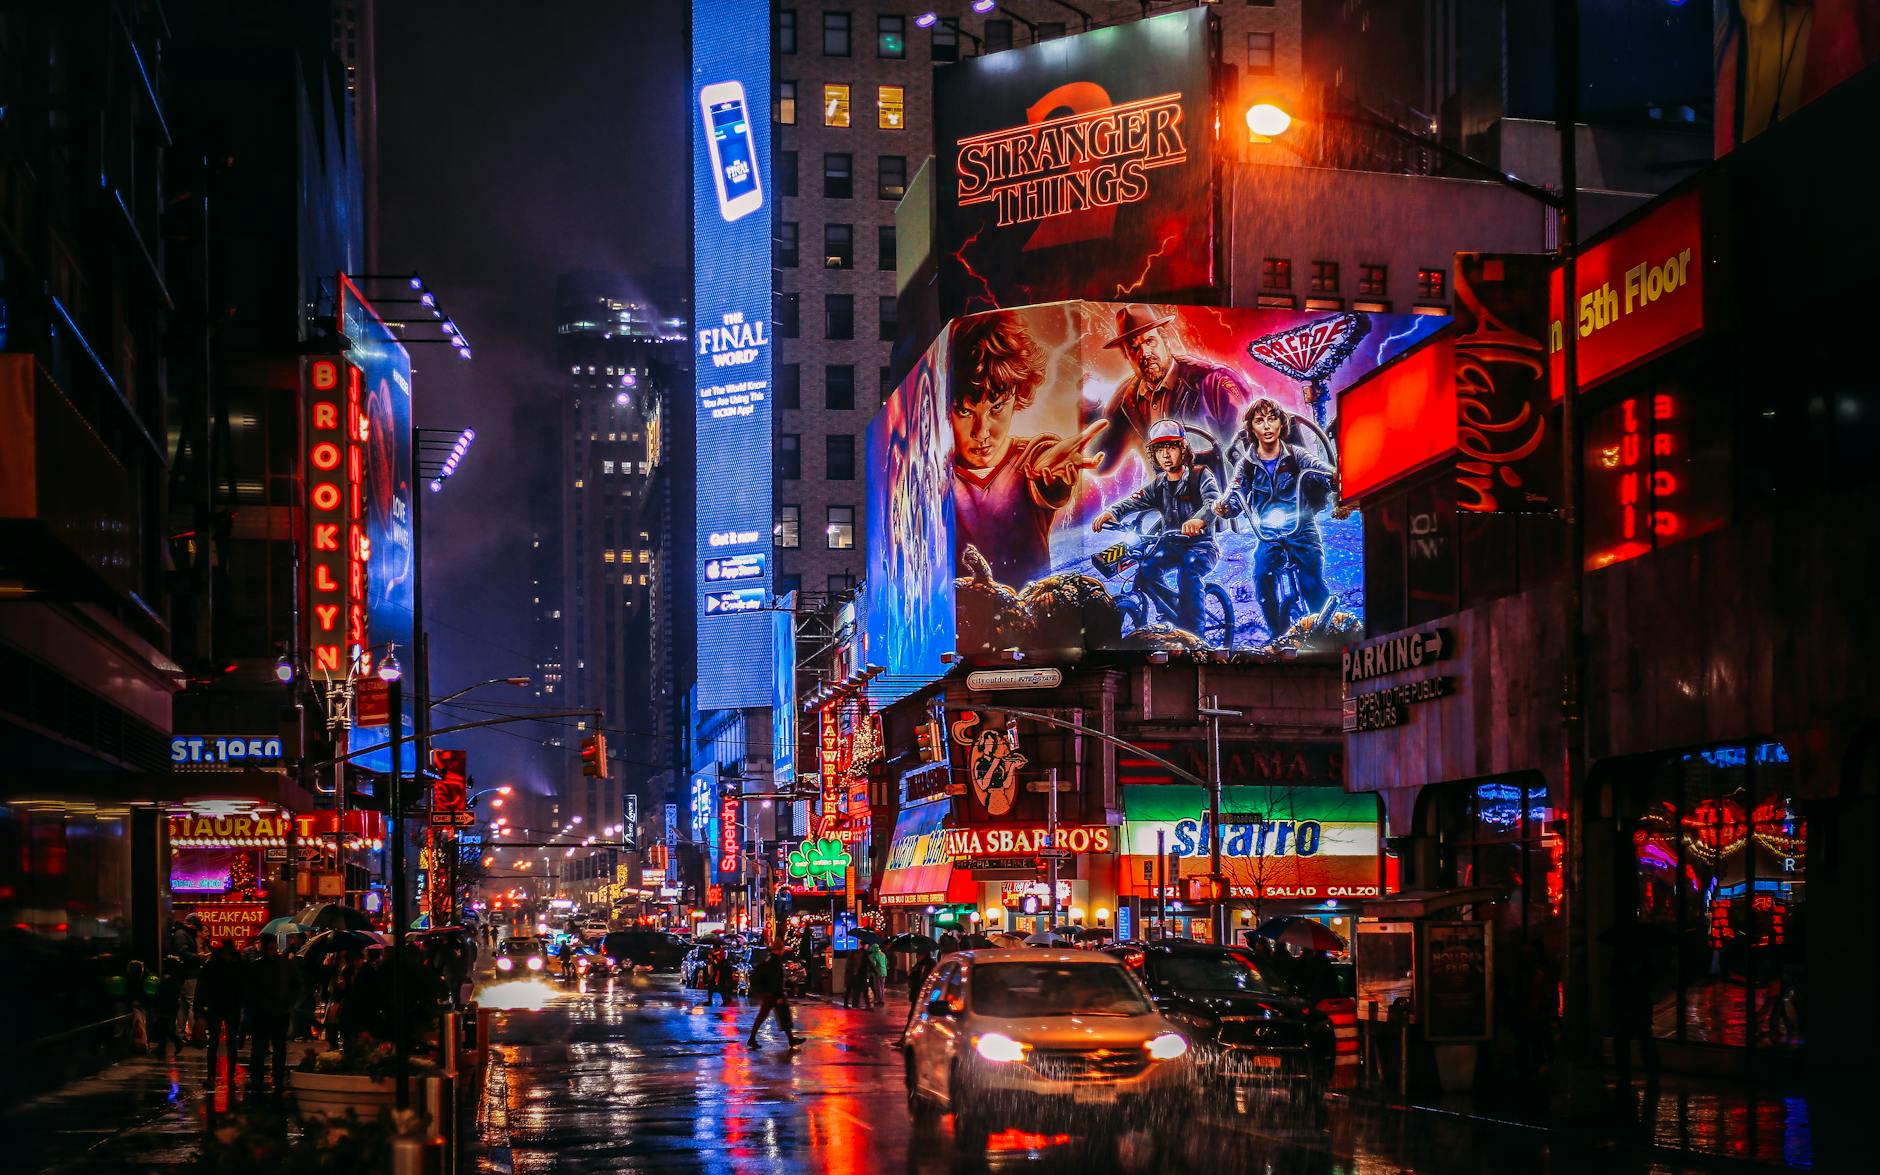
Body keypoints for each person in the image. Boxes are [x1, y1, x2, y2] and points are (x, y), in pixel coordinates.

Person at [949, 310, 1106, 587]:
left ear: (1017, 396)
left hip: (1035, 618)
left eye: (996, 408)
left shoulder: (1032, 456)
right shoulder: (933, 477)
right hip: (961, 623)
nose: (981, 432)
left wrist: (1054, 482)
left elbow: (1046, 470)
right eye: (965, 411)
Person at [1213, 398, 1342, 639]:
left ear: (1281, 424)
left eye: (1272, 419)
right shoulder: (1247, 464)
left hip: (1301, 527)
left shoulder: (1296, 455)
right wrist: (1225, 506)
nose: (1267, 426)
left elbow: (1318, 469)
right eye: (1260, 421)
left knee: (1311, 580)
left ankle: (1328, 634)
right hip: (1269, 533)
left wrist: (1332, 477)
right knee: (1262, 577)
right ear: (1252, 428)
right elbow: (1236, 489)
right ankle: (1277, 636)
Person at [1091, 418, 1223, 637]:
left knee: (1188, 571)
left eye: (1171, 447)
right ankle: (1171, 612)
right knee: (1147, 569)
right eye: (1160, 449)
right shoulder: (1159, 484)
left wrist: (1199, 520)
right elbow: (1134, 501)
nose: (1166, 455)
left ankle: (1196, 635)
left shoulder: (1200, 475)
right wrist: (1111, 512)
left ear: (1183, 449)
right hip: (1170, 544)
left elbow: (1213, 503)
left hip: (1201, 546)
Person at [1096, 304, 1247, 475]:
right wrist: (1091, 409)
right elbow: (1102, 459)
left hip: (1216, 496)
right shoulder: (1129, 398)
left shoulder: (1214, 383)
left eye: (1149, 341)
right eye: (1134, 348)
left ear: (1165, 340)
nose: (1144, 353)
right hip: (1170, 498)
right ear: (1126, 355)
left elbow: (1247, 452)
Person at [244, 934, 302, 1099]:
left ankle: (264, 1078)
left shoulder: (262, 966)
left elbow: (249, 992)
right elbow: (296, 985)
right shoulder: (283, 965)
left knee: (267, 1048)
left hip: (271, 1013)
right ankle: (270, 1078)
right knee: (271, 1048)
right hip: (270, 1013)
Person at [199, 941, 246, 1091]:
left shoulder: (213, 964)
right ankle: (225, 1077)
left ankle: (213, 1077)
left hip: (218, 1005)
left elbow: (203, 987)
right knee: (228, 1043)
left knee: (216, 1042)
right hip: (229, 1006)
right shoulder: (237, 965)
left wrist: (200, 1008)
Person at [746, 943, 805, 1050]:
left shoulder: (770, 960)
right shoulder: (774, 962)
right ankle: (791, 1040)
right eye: (782, 949)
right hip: (774, 995)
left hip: (769, 994)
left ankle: (752, 1039)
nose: (783, 951)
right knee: (783, 1015)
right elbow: (775, 981)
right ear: (778, 950)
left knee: (769, 1016)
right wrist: (778, 996)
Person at [167, 913, 205, 1045]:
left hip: (182, 974)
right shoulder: (183, 934)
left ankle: (181, 1034)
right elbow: (184, 953)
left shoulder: (181, 933)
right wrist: (198, 957)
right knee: (191, 1004)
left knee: (183, 1005)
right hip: (188, 974)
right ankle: (195, 1034)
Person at [865, 942, 889, 1011]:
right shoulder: (883, 954)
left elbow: (874, 964)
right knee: (882, 986)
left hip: (877, 973)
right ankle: (882, 999)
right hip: (884, 972)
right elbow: (886, 962)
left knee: (878, 987)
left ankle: (879, 1000)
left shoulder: (874, 955)